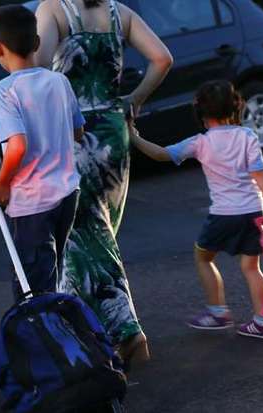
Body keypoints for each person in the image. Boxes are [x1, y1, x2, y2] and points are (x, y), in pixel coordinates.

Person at [34, 0, 173, 364]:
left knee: (80, 236)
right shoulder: (119, 13)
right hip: (113, 131)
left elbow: (35, 68)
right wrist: (133, 99)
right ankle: (87, 330)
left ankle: (125, 330)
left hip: (74, 133)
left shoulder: (53, 9)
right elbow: (162, 58)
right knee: (98, 233)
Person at [129, 80, 263, 339]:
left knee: (203, 256)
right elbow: (261, 174)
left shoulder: (200, 143)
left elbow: (160, 155)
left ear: (201, 113)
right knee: (251, 267)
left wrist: (134, 136)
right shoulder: (247, 136)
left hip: (223, 215)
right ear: (235, 107)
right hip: (253, 213)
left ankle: (218, 312)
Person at [0, 5, 84, 296]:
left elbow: (17, 145)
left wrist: (2, 183)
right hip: (67, 193)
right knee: (53, 270)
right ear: (37, 43)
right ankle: (57, 329)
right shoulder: (59, 81)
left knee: (31, 283)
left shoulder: (3, 91)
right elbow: (78, 131)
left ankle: (39, 335)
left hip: (32, 202)